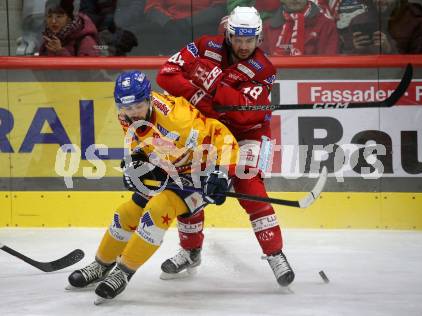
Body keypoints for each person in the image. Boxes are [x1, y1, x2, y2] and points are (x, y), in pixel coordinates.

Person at [66, 71, 239, 302]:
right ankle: (101, 265)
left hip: (201, 173)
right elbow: (143, 144)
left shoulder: (178, 120)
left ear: (148, 98)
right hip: (171, 168)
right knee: (126, 212)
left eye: (138, 105)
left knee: (158, 211)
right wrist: (137, 163)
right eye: (126, 107)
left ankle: (123, 272)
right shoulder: (126, 115)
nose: (132, 112)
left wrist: (221, 172)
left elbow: (221, 134)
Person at [156, 6, 295, 287]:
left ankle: (275, 253)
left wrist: (212, 80)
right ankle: (190, 251)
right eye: (239, 39)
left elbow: (245, 114)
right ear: (229, 34)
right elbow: (166, 75)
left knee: (250, 188)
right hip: (210, 129)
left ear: (258, 38)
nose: (244, 46)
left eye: (250, 40)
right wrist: (201, 96)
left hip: (251, 134)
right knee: (190, 187)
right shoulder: (205, 45)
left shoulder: (265, 69)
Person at [346, 0, 422, 54]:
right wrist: (355, 50)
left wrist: (390, 50)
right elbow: (345, 62)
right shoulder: (358, 21)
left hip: (400, 78)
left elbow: (421, 68)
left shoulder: (416, 21)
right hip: (365, 76)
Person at [260, 0, 339, 55]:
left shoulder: (326, 25)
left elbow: (328, 66)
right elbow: (261, 61)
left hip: (313, 77)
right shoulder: (267, 27)